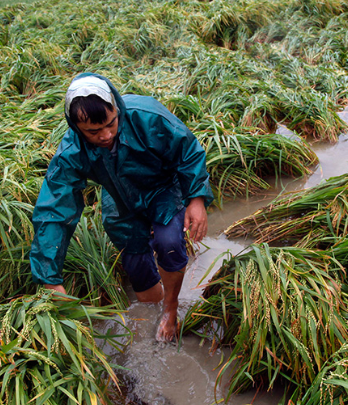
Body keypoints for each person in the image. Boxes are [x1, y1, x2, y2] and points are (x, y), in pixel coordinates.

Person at [30, 73, 214, 341]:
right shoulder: (72, 151)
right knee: (136, 264)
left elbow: (187, 151)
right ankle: (150, 312)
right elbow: (54, 210)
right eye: (93, 131)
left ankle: (170, 309)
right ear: (77, 126)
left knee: (169, 244)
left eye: (110, 123)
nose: (105, 135)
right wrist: (49, 277)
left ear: (117, 108)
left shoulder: (146, 116)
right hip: (120, 198)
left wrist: (196, 199)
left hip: (162, 187)